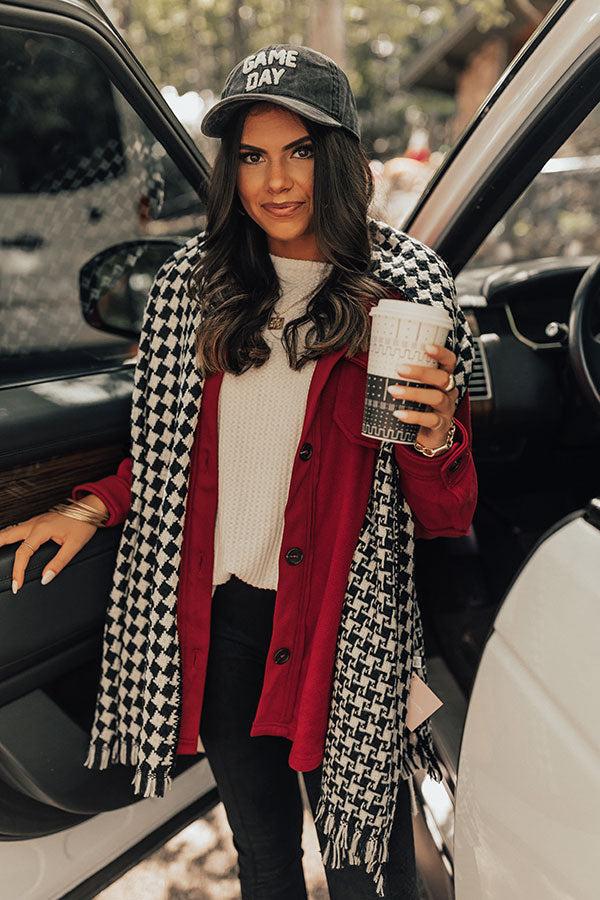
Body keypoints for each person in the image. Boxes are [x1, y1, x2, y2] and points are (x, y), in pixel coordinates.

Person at [0, 44, 477, 899]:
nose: (276, 180)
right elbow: (172, 461)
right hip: (226, 631)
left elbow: (441, 515)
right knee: (263, 858)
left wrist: (437, 438)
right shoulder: (192, 285)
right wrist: (91, 507)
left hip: (344, 629)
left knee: (371, 868)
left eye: (299, 151)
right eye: (252, 156)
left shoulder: (403, 289)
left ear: (339, 161)